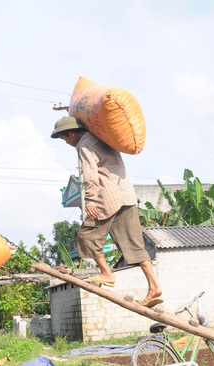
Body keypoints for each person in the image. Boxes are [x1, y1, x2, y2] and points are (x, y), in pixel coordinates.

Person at [51, 116, 163, 307]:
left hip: (107, 197)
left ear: (71, 133)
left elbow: (90, 175)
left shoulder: (84, 145)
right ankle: (154, 288)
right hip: (126, 195)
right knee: (135, 245)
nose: (67, 143)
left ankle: (106, 273)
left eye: (65, 139)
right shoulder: (102, 137)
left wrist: (91, 201)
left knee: (87, 236)